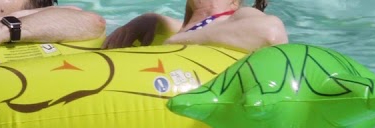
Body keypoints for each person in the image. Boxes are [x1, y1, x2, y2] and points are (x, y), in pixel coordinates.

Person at [102, 0, 287, 52]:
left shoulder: (236, 17)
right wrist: (148, 19)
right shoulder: (191, 26)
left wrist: (180, 40)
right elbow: (173, 29)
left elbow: (271, 32)